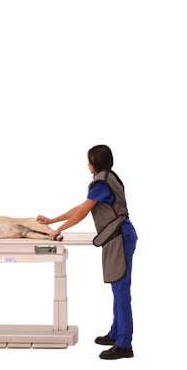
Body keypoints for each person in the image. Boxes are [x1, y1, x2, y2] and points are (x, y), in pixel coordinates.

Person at [38, 145, 138, 360]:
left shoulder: (101, 182)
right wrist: (53, 220)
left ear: (96, 162)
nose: (88, 165)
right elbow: (82, 207)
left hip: (120, 237)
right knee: (117, 286)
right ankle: (116, 333)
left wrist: (58, 230)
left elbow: (83, 211)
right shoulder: (108, 178)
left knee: (120, 289)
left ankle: (124, 345)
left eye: (89, 160)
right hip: (119, 235)